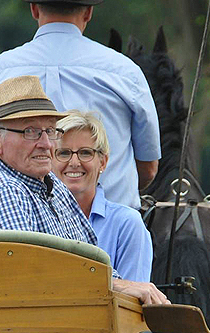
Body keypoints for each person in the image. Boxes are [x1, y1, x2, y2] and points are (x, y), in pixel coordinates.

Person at [0, 0, 160, 211]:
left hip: (19, 234)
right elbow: (148, 170)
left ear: (34, 9)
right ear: (88, 12)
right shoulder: (126, 73)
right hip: (111, 235)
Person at [0, 76, 169, 305]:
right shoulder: (6, 193)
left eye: (50, 131)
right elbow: (28, 283)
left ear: (103, 162)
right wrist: (117, 285)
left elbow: (93, 263)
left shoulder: (53, 186)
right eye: (31, 132)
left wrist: (122, 284)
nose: (46, 143)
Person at [53, 110, 153, 282]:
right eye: (63, 153)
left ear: (103, 162)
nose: (75, 163)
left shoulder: (127, 224)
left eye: (85, 153)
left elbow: (133, 301)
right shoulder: (36, 216)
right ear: (49, 161)